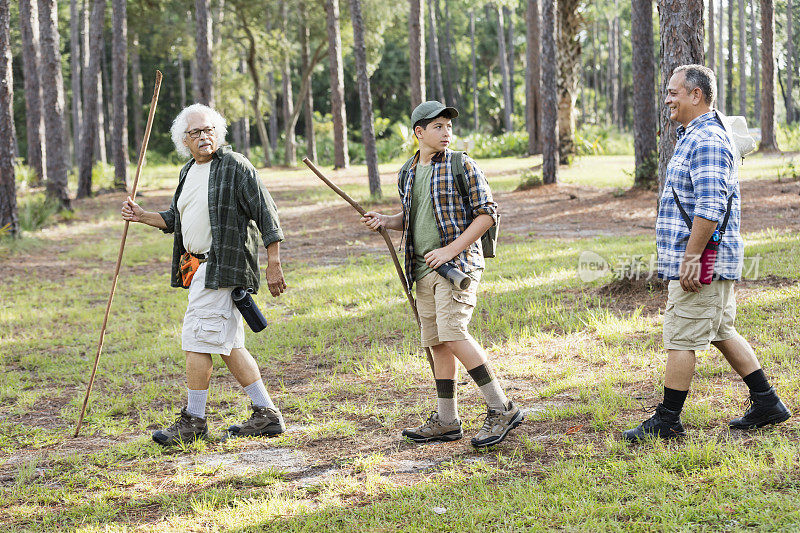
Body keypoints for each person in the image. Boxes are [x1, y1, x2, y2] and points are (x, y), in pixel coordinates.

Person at [623, 65, 790, 442]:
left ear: (696, 95)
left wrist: (693, 257)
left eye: (673, 92)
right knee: (720, 329)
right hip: (705, 260)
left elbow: (710, 205)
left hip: (702, 261)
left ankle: (667, 420)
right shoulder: (694, 136)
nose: (667, 98)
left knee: (681, 337)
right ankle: (767, 402)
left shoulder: (708, 140)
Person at [121, 104, 289, 446]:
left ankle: (194, 420)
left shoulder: (235, 167)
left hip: (221, 267)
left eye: (209, 129)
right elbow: (174, 220)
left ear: (219, 133)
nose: (203, 136)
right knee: (229, 345)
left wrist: (274, 262)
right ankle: (267, 414)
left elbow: (267, 214)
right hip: (195, 267)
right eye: (196, 132)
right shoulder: (187, 172)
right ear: (184, 140)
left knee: (196, 340)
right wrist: (140, 215)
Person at [361, 101, 523, 448]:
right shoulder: (407, 171)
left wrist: (451, 250)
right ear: (419, 132)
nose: (446, 132)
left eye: (448, 126)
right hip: (421, 270)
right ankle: (447, 420)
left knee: (453, 334)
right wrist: (386, 221)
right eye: (438, 126)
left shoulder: (461, 164)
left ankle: (502, 407)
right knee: (437, 343)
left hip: (456, 267)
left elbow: (487, 213)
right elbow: (412, 215)